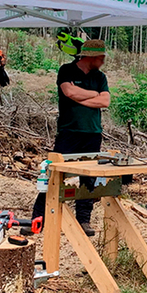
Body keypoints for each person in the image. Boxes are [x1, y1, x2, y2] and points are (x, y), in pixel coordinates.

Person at [29, 39, 110, 236]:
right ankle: (39, 218)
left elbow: (105, 101)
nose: (103, 62)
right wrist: (93, 95)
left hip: (92, 133)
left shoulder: (100, 77)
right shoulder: (66, 70)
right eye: (100, 58)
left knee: (88, 179)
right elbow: (68, 91)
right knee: (54, 174)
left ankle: (83, 220)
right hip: (69, 132)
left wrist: (80, 96)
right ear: (90, 56)